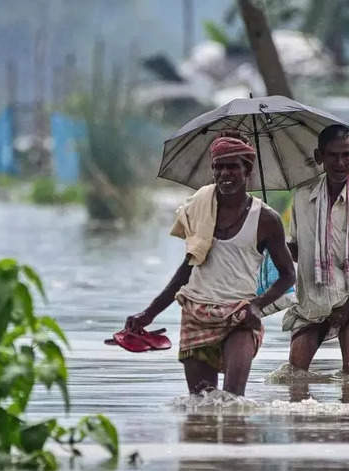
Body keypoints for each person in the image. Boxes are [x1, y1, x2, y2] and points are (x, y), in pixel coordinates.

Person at [125, 135, 296, 396]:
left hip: (240, 314)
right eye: (218, 167)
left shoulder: (266, 219)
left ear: (247, 170)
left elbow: (287, 276)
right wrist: (149, 314)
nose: (224, 173)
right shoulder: (199, 208)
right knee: (201, 404)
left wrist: (257, 306)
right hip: (196, 311)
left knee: (232, 400)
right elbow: (187, 269)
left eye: (232, 167)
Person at [283, 124, 349, 381]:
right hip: (312, 300)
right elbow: (296, 249)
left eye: (346, 155)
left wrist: (347, 308)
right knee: (294, 377)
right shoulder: (303, 196)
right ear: (319, 157)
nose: (340, 162)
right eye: (332, 155)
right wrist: (272, 242)